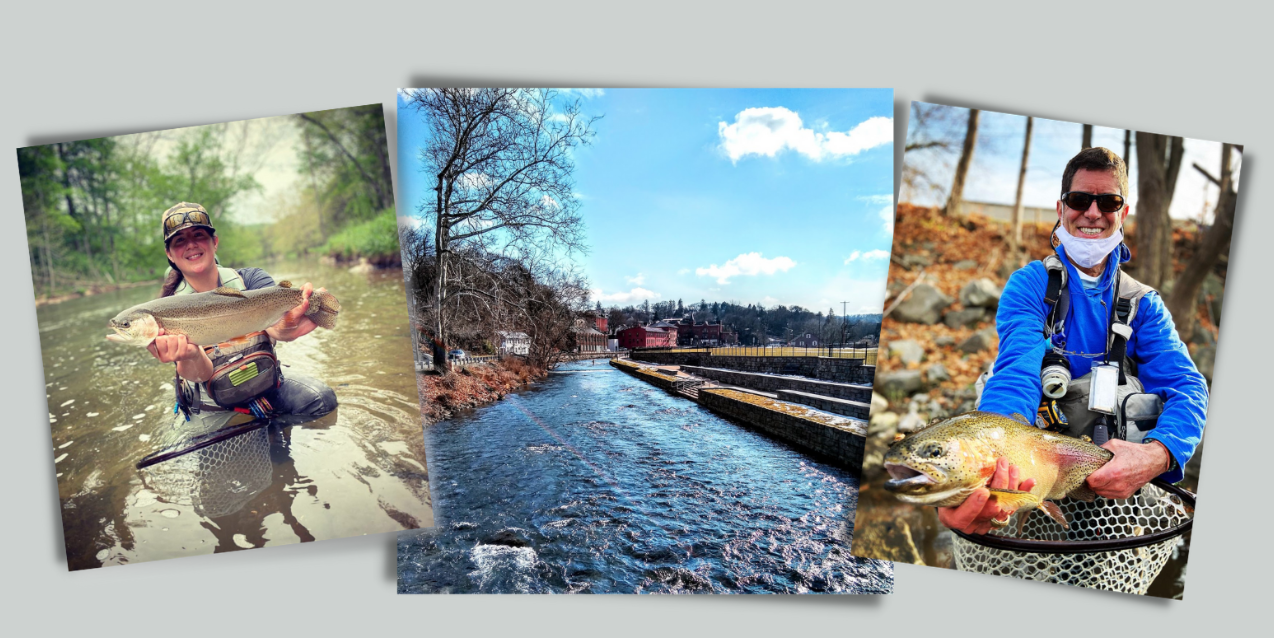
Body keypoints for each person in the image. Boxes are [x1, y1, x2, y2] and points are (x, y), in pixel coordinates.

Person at [940, 147, 1208, 534]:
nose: (1093, 213)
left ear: (1124, 213)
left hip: (1119, 496)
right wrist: (990, 459)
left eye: (1109, 201)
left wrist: (1159, 453)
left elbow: (1188, 386)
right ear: (1061, 208)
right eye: (1080, 199)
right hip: (1032, 480)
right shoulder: (1029, 285)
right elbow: (1017, 372)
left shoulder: (1144, 304)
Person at [147, 202, 337, 418]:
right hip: (213, 405)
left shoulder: (252, 279)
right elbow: (201, 373)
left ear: (214, 242)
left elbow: (276, 329)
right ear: (170, 254)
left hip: (264, 385)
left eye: (198, 235)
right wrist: (190, 355)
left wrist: (288, 325)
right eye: (180, 240)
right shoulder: (165, 309)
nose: (191, 245)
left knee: (323, 400)